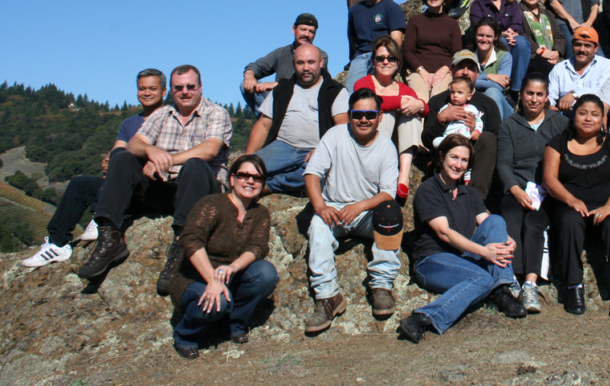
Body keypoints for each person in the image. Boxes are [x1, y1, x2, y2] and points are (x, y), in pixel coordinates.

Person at [78, 65, 232, 300]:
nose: (185, 92)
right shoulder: (162, 114)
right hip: (167, 191)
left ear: (200, 88)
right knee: (121, 156)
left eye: (191, 87)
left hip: (202, 192)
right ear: (170, 90)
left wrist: (167, 160)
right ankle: (110, 237)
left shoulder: (216, 113)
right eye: (179, 87)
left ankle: (183, 246)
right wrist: (150, 151)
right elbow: (134, 144)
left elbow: (210, 150)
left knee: (195, 165)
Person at [22, 69, 166, 268]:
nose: (147, 93)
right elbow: (117, 150)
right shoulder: (129, 123)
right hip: (125, 189)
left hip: (151, 188)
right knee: (80, 184)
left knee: (123, 159)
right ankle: (57, 244)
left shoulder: (171, 120)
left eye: (152, 88)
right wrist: (109, 159)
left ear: (164, 91)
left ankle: (101, 215)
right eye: (142, 88)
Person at [398, 135, 526, 344]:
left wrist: (509, 239)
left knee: (496, 220)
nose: (458, 165)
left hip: (463, 257)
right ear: (441, 157)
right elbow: (444, 233)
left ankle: (502, 289)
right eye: (454, 158)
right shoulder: (428, 190)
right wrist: (484, 252)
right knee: (483, 279)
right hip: (432, 261)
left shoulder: (470, 193)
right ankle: (422, 318)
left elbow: (487, 222)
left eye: (464, 160)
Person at [303, 89, 402, 332]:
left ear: (379, 117)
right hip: (334, 210)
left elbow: (388, 191)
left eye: (370, 114)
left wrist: (358, 206)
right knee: (317, 225)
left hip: (368, 212)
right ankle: (328, 297)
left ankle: (381, 286)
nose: (364, 119)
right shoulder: (334, 135)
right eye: (358, 114)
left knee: (391, 212)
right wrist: (320, 206)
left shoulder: (386, 146)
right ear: (349, 115)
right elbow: (312, 173)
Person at [169, 156, 278, 359]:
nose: (250, 181)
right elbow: (192, 239)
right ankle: (186, 335)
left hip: (230, 276)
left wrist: (233, 267)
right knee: (217, 298)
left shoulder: (260, 213)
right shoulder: (212, 205)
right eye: (244, 175)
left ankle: (232, 324)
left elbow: (258, 246)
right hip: (195, 277)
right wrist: (212, 279)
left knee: (265, 273)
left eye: (257, 177)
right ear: (232, 179)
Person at [543, 94, 610, 316]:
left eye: (595, 114)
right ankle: (574, 286)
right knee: (570, 220)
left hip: (607, 206)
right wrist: (570, 200)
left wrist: (609, 207)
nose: (588, 118)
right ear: (573, 116)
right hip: (569, 205)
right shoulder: (557, 143)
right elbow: (549, 179)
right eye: (583, 113)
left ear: (603, 118)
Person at [496, 72, 570, 312]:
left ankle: (530, 283)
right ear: (521, 95)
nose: (534, 99)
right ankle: (512, 279)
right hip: (518, 188)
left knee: (535, 223)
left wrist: (555, 187)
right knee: (511, 214)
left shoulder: (559, 123)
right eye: (529, 93)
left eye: (539, 95)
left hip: (548, 192)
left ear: (547, 97)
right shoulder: (509, 125)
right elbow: (504, 164)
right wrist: (516, 191)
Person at [244, 44, 349, 194]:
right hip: (283, 146)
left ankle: (269, 186)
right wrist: (248, 157)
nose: (306, 67)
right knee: (247, 170)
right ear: (294, 63)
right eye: (300, 63)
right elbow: (264, 125)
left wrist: (323, 148)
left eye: (311, 62)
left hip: (316, 148)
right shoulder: (281, 89)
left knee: (319, 171)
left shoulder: (335, 91)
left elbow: (342, 123)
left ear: (320, 62)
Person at [421, 51, 502, 203]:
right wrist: (441, 120)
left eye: (470, 68)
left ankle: (474, 200)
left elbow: (496, 138)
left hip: (475, 160)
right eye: (460, 67)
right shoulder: (438, 101)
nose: (465, 72)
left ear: (477, 73)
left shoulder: (488, 104)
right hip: (445, 159)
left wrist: (476, 129)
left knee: (488, 138)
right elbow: (426, 140)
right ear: (451, 71)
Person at [353, 36, 428, 199]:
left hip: (396, 142)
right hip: (370, 142)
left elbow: (425, 108)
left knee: (412, 113)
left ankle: (403, 175)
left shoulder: (403, 88)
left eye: (391, 58)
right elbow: (368, 103)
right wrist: (399, 101)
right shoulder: (363, 83)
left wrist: (420, 104)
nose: (386, 62)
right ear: (373, 62)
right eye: (380, 58)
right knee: (383, 112)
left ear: (398, 62)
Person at [241, 13, 330, 114]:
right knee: (244, 85)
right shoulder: (281, 53)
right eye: (303, 29)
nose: (306, 34)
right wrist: (249, 76)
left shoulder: (320, 56)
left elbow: (307, 83)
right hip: (280, 99)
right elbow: (256, 66)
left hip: (306, 102)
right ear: (293, 29)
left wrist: (277, 85)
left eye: (311, 32)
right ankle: (268, 119)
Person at [469, 0, 531, 103]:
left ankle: (515, 91)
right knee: (503, 42)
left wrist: (512, 33)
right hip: (489, 43)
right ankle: (500, 83)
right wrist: (503, 33)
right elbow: (478, 27)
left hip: (509, 39)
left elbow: (517, 25)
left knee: (521, 42)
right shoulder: (479, 4)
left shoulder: (512, 4)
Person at [345, 0, 406, 93]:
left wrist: (388, 57)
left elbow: (397, 39)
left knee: (380, 92)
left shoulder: (392, 8)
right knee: (351, 94)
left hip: (384, 55)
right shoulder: (355, 11)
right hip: (361, 57)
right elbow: (352, 39)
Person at [403, 0, 462, 101]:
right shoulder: (415, 21)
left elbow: (457, 53)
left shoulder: (452, 24)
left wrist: (445, 68)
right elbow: (408, 51)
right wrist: (421, 70)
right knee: (420, 101)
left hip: (444, 73)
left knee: (437, 99)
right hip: (419, 72)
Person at [547, 27, 610, 113]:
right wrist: (549, 106)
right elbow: (550, 94)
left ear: (596, 48)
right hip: (565, 115)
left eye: (587, 46)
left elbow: (603, 91)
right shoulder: (560, 68)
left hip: (595, 115)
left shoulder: (606, 65)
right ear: (572, 44)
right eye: (578, 44)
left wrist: (575, 95)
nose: (582, 49)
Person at [517, 0, 564, 77]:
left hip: (551, 57)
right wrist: (539, 51)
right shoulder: (517, 11)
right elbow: (520, 33)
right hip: (531, 56)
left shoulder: (548, 14)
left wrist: (556, 52)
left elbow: (559, 36)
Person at [470, 18, 515, 121]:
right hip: (474, 103)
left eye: (488, 36)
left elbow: (498, 86)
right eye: (480, 35)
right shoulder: (468, 56)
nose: (484, 39)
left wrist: (472, 80)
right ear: (475, 36)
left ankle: (495, 133)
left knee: (492, 91)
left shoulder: (505, 57)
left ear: (496, 37)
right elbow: (461, 80)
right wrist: (488, 76)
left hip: (501, 105)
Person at [432, 78, 484, 147]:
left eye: (460, 92)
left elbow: (479, 121)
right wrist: (442, 117)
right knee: (435, 142)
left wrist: (476, 131)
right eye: (452, 92)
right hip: (448, 138)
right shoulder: (446, 108)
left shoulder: (472, 109)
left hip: (464, 138)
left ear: (469, 96)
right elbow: (439, 117)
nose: (455, 95)